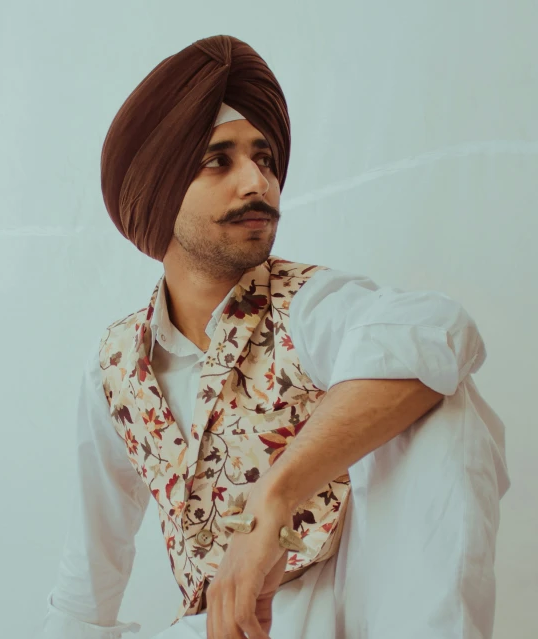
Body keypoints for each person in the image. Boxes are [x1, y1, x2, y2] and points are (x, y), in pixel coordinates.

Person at [43, 35, 510, 639]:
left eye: (264, 159)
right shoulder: (113, 366)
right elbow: (87, 581)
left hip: (356, 612)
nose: (257, 184)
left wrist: (273, 500)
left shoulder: (309, 305)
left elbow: (440, 332)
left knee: (433, 390)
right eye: (219, 160)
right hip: (220, 629)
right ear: (158, 187)